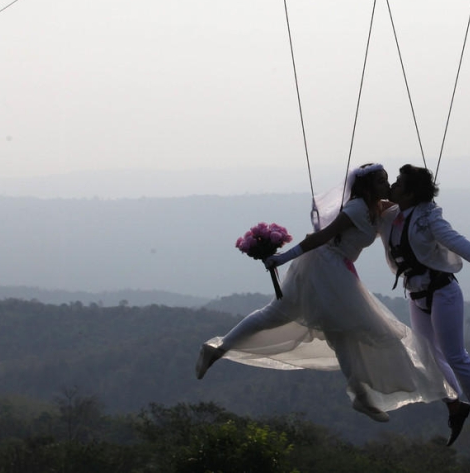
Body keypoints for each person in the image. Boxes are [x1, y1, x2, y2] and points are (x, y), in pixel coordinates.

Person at [195, 163, 454, 422]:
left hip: (339, 268)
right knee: (285, 315)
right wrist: (282, 258)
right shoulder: (355, 208)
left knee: (334, 329)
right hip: (325, 266)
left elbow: (413, 206)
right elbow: (319, 237)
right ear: (366, 186)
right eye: (381, 181)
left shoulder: (380, 206)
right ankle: (218, 349)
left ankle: (361, 395)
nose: (388, 186)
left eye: (388, 181)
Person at [380, 164, 470, 452]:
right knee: (427, 356)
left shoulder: (428, 218)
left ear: (411, 193)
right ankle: (455, 406)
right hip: (416, 294)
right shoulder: (390, 215)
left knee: (454, 354)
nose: (393, 186)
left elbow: (454, 240)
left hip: (442, 291)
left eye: (399, 183)